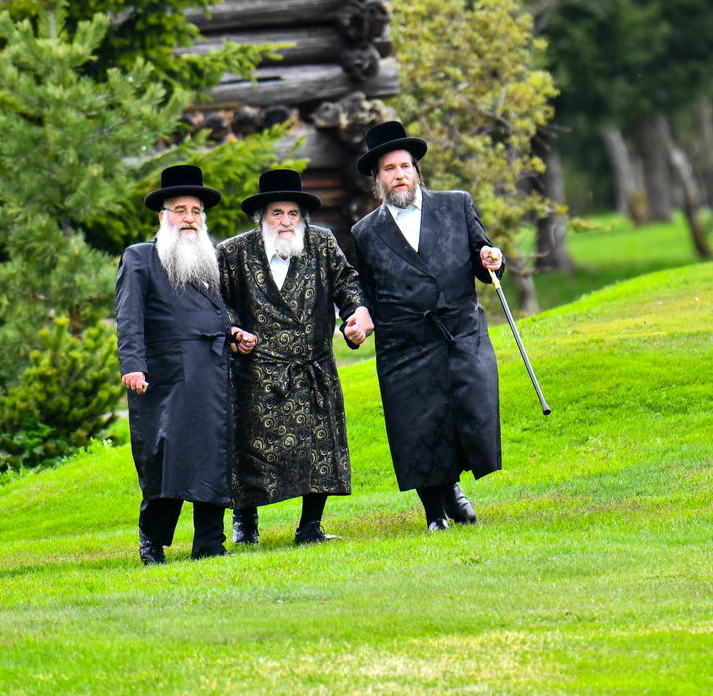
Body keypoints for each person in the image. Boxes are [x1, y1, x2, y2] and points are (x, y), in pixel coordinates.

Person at [349, 121, 504, 532]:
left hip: (459, 332)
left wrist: (492, 258)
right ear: (377, 178)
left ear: (417, 170)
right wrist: (360, 314)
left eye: (405, 166)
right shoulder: (365, 232)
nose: (399, 175)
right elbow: (364, 290)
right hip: (403, 343)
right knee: (418, 425)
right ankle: (435, 512)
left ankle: (452, 487)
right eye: (389, 169)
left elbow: (483, 257)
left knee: (469, 411)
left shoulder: (456, 205)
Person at [217, 168, 374, 546]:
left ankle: (310, 527)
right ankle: (245, 525)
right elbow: (216, 304)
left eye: (293, 214)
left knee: (319, 449)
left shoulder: (322, 243)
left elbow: (347, 283)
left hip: (312, 367)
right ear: (262, 217)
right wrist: (233, 330)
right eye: (277, 213)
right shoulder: (233, 252)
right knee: (249, 452)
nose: (286, 221)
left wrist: (357, 313)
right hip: (256, 373)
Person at [115, 165, 257, 565]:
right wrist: (133, 365)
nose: (190, 218)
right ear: (164, 217)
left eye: (196, 211)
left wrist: (232, 332)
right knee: (167, 462)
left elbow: (210, 313)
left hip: (212, 375)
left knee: (213, 458)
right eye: (181, 210)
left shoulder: (206, 261)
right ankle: (152, 542)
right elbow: (129, 317)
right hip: (165, 380)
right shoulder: (140, 257)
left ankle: (210, 544)